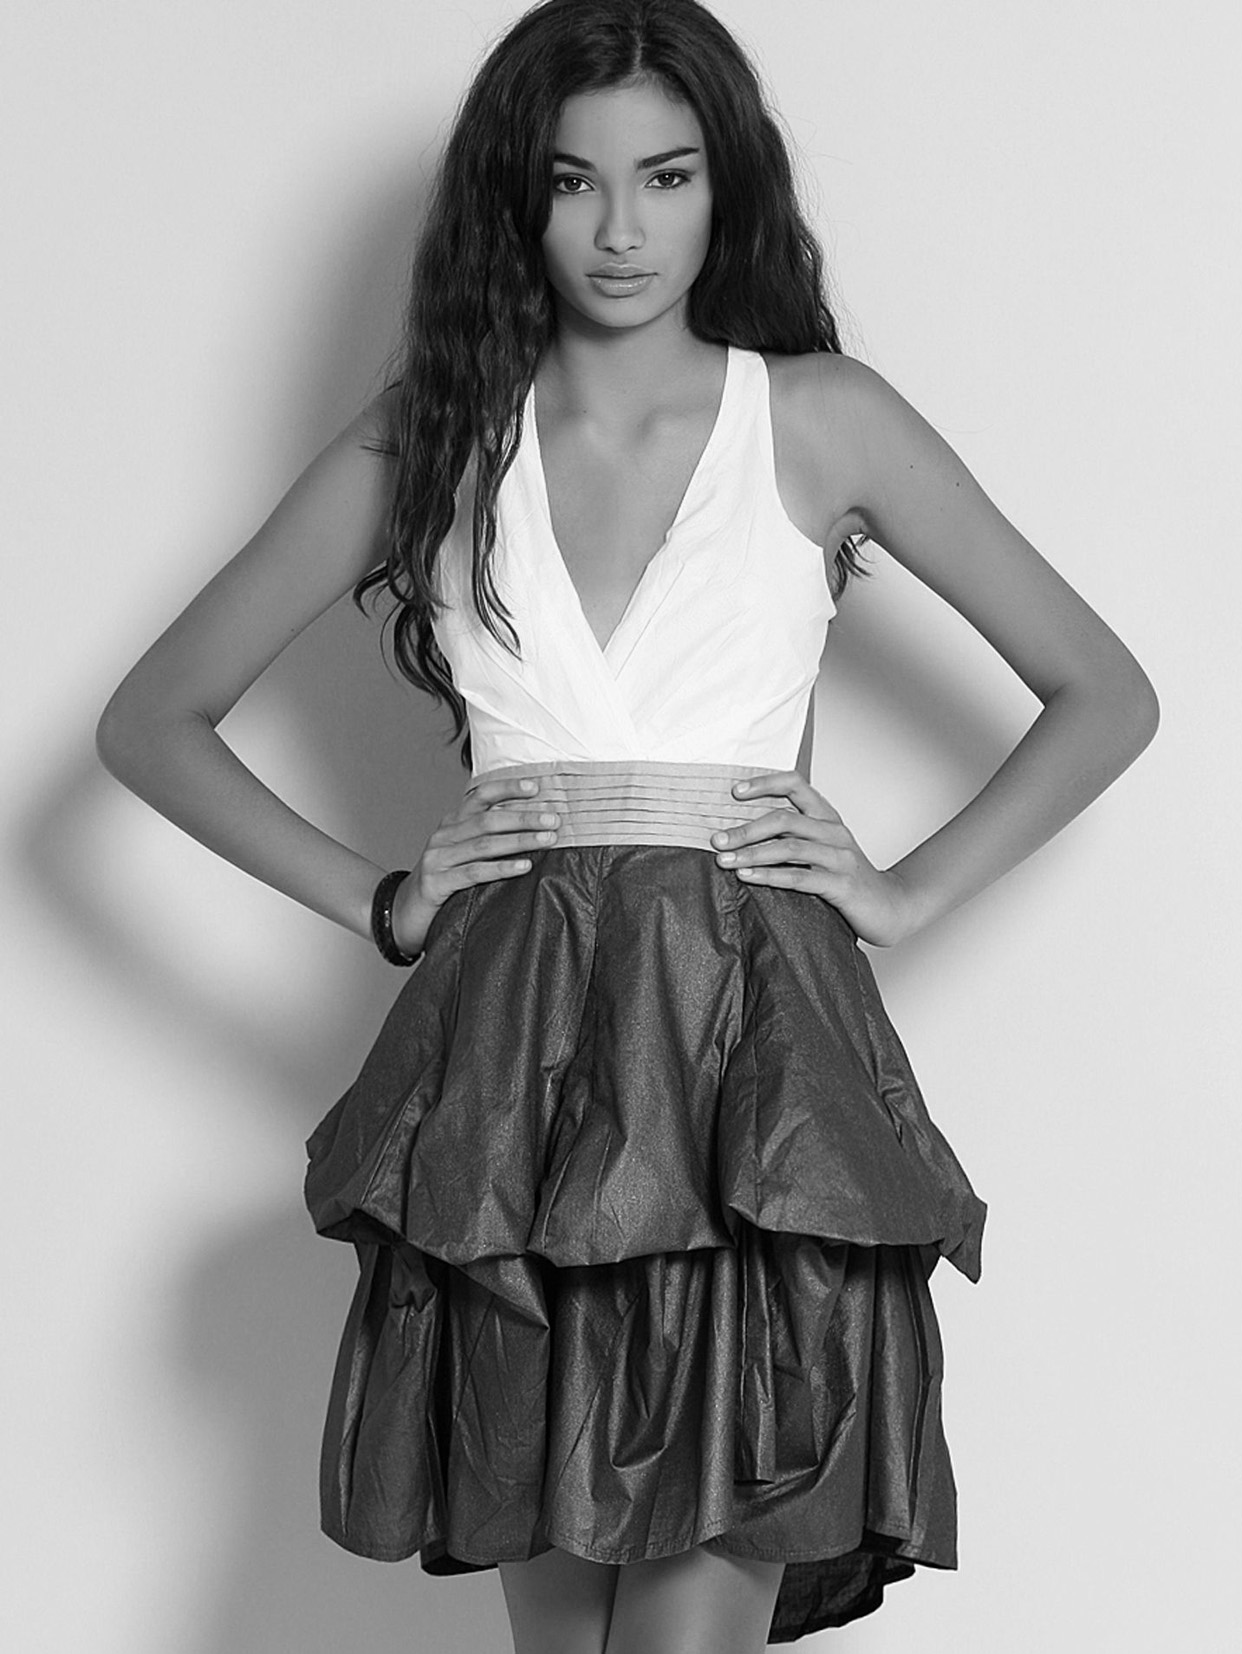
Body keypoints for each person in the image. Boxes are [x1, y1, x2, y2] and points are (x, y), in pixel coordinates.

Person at [95, 1, 1159, 1649]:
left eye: (664, 176)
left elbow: (1102, 690)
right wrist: (381, 899)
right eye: (572, 180)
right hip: (512, 1068)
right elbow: (152, 720)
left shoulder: (819, 417)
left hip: (751, 1069)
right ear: (514, 200)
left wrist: (903, 888)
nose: (618, 229)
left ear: (724, 187)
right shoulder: (433, 435)